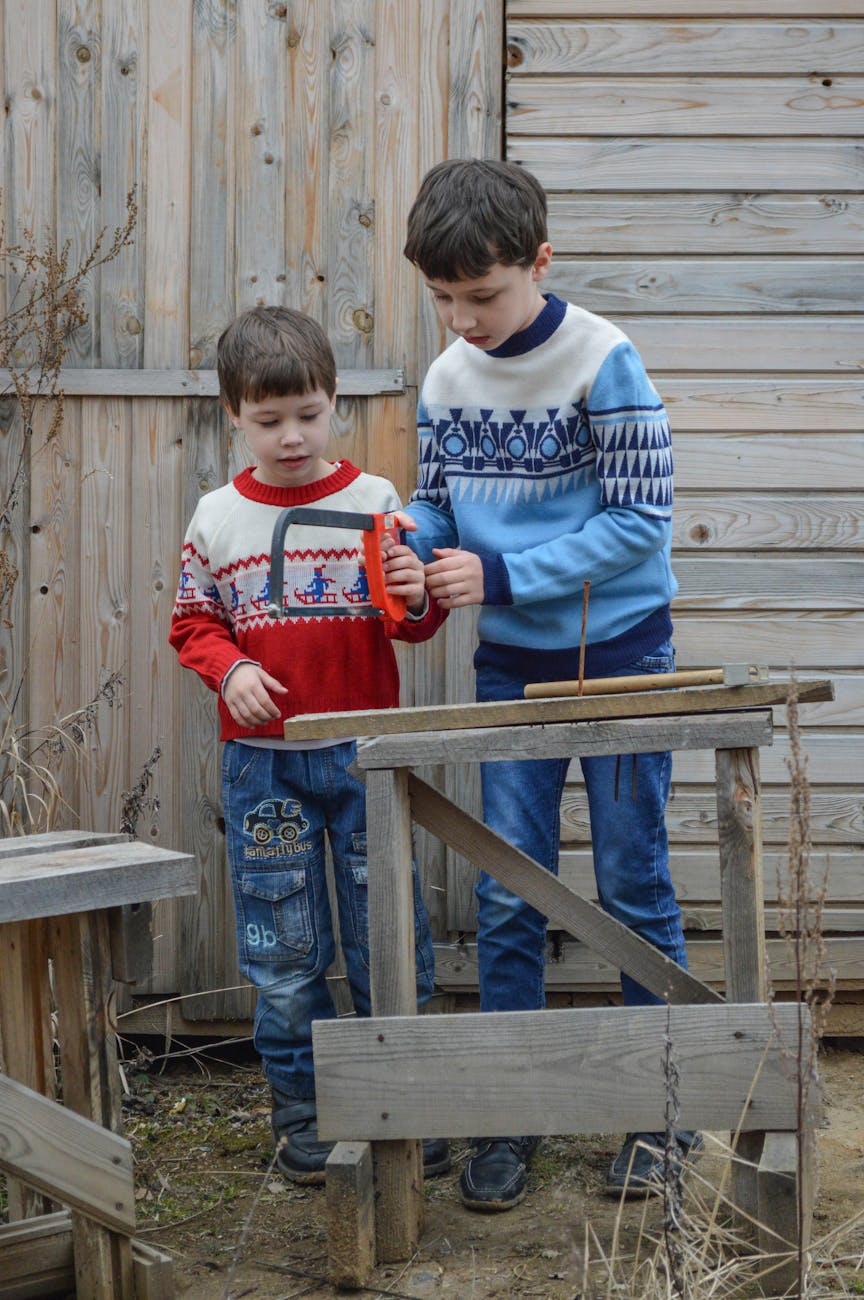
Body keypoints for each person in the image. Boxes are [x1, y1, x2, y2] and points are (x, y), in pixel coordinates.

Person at [401, 159, 699, 1209]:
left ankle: (665, 1112)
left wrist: (502, 574)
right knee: (507, 890)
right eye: (442, 297)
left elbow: (639, 524)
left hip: (621, 659)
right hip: (508, 668)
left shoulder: (605, 359)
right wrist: (408, 544)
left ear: (540, 261)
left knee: (633, 883)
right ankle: (509, 1115)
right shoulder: (446, 379)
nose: (461, 320)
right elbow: (438, 505)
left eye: (481, 295)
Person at [169, 306, 450, 1183]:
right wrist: (229, 671)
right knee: (285, 953)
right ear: (233, 415)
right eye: (268, 420)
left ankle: (411, 1106)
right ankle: (304, 1116)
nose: (291, 436)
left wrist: (416, 593)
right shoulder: (217, 517)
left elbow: (412, 623)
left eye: (308, 414)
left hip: (368, 759)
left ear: (335, 402)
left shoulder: (375, 503)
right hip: (265, 769)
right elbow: (192, 624)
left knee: (386, 936)